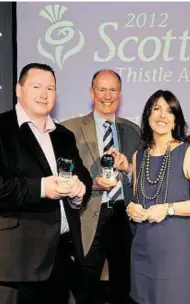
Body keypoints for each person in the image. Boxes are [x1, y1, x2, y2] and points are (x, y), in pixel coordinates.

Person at [0, 62, 93, 304]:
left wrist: (79, 191)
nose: (44, 94)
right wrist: (42, 187)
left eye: (51, 88)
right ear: (18, 89)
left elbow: (82, 176)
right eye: (37, 86)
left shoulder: (64, 135)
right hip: (13, 263)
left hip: (59, 260)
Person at [127, 90, 190, 304]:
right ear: (147, 116)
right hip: (142, 250)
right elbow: (139, 199)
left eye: (169, 110)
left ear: (176, 118)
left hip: (176, 255)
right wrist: (131, 208)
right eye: (156, 109)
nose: (162, 116)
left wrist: (168, 209)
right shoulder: (139, 156)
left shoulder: (188, 153)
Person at [61, 69, 140, 303]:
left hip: (123, 217)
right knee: (85, 288)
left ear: (120, 93)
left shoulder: (133, 131)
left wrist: (128, 172)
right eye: (102, 89)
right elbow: (62, 171)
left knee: (124, 287)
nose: (108, 96)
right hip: (88, 215)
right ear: (91, 92)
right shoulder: (70, 129)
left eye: (113, 90)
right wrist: (91, 184)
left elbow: (141, 179)